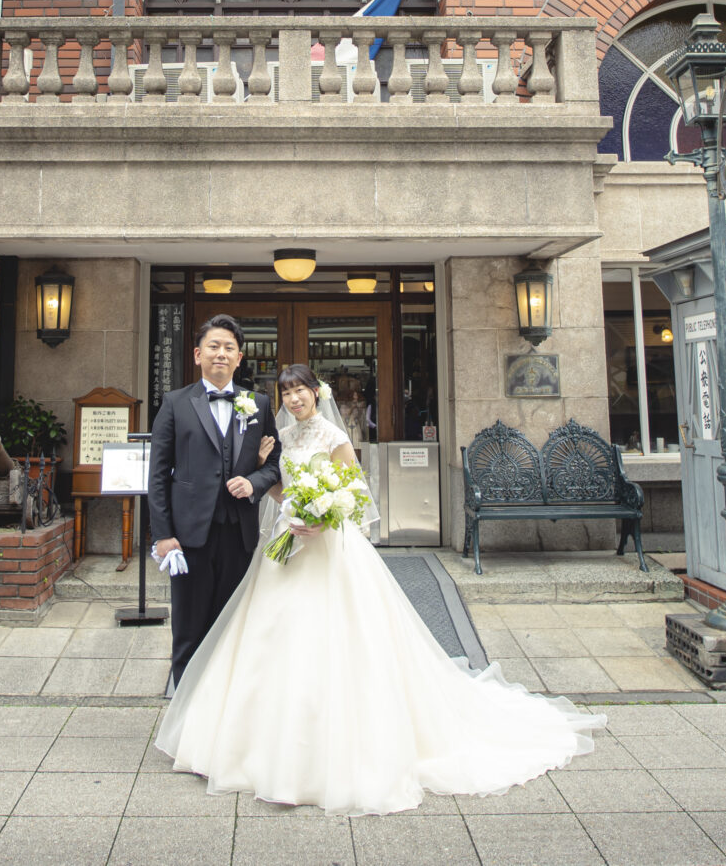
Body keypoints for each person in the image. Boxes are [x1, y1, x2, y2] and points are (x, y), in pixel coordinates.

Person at [155, 363, 604, 816]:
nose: (293, 399)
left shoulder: (334, 436)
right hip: (287, 545)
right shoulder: (282, 441)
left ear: (316, 392)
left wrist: (323, 516)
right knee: (271, 636)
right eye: (286, 392)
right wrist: (280, 493)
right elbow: (276, 491)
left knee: (342, 639)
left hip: (330, 550)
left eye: (300, 391)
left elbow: (356, 495)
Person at [148, 314, 282, 691]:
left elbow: (275, 464)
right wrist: (162, 535)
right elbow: (158, 475)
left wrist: (254, 482)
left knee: (232, 629)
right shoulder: (175, 403)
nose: (221, 354)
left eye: (229, 348)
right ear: (197, 354)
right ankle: (185, 723)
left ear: (240, 358)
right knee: (189, 631)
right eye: (214, 346)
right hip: (188, 538)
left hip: (239, 535)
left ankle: (223, 719)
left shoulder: (257, 404)